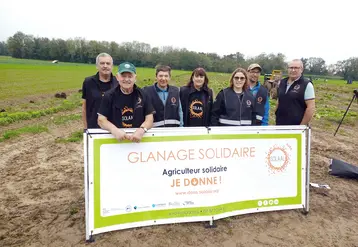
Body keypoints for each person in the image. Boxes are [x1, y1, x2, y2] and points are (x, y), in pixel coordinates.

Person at [97, 62, 154, 143]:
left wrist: (142, 130)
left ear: (135, 78)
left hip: (138, 141)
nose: (127, 79)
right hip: (115, 140)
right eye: (123, 76)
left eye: (130, 76)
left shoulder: (143, 95)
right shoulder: (109, 96)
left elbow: (150, 119)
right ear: (117, 77)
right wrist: (114, 130)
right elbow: (101, 120)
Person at [81, 53, 118, 129]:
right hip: (93, 129)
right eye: (102, 63)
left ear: (112, 66)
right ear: (97, 66)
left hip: (114, 130)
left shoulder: (118, 83)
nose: (105, 66)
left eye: (108, 63)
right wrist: (86, 128)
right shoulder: (88, 82)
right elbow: (84, 107)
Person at [275, 59, 315, 125]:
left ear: (301, 70)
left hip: (296, 125)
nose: (293, 70)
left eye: (296, 68)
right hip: (280, 123)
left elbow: (310, 108)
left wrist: (301, 126)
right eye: (291, 68)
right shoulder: (282, 82)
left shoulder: (306, 85)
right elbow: (279, 100)